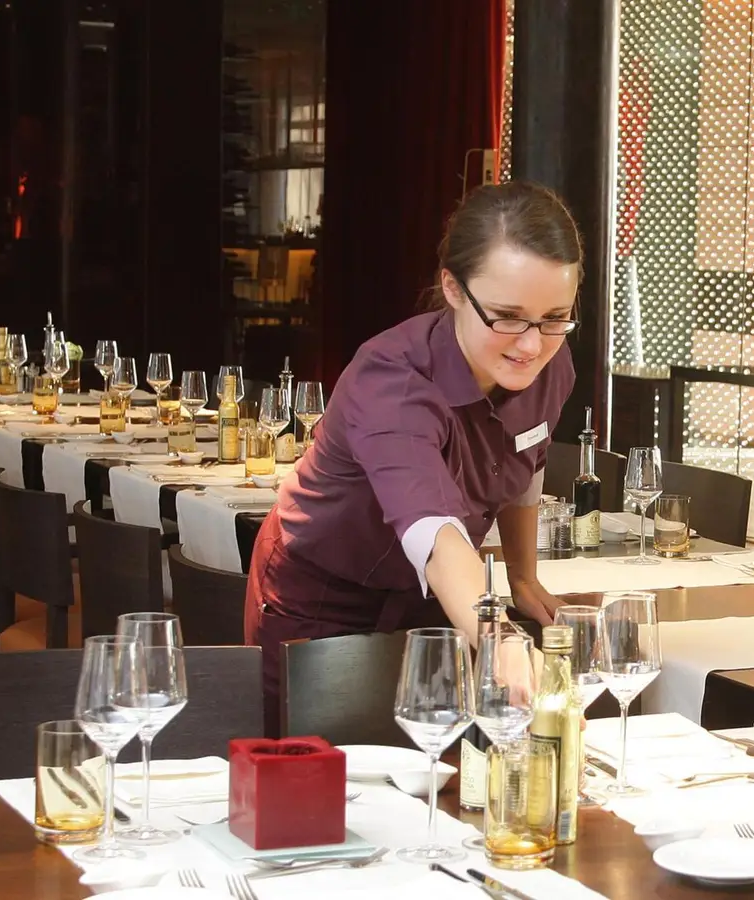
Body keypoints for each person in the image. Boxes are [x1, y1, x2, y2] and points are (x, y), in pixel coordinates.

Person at [244, 181, 584, 734]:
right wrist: (500, 636)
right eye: (506, 316)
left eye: (554, 317)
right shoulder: (392, 378)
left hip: (440, 598)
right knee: (317, 777)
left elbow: (528, 461)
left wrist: (522, 575)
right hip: (324, 590)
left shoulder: (553, 360)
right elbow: (434, 529)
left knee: (435, 764)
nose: (530, 344)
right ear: (452, 287)